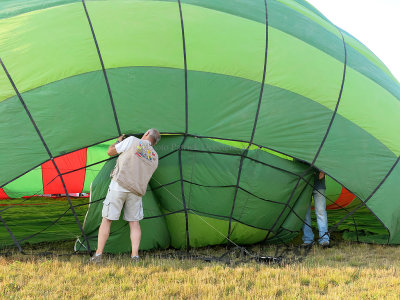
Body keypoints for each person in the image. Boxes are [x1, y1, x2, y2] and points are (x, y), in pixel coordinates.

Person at [90, 129, 161, 263]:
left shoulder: (133, 141)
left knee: (107, 220)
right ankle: (135, 257)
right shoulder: (155, 157)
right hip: (136, 191)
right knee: (134, 223)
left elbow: (110, 152)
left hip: (119, 185)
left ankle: (98, 255)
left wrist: (118, 141)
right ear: (155, 143)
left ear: (146, 134)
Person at [302, 170, 329, 247]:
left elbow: (325, 159)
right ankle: (308, 239)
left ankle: (324, 239)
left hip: (319, 184)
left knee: (321, 212)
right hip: (304, 185)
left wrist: (323, 171)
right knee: (305, 213)